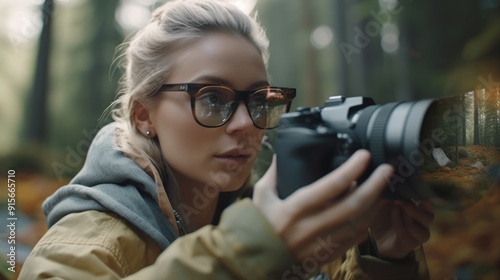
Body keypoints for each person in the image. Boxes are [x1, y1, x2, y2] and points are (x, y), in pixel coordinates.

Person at [19, 0, 434, 279]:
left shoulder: (253, 215)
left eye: (258, 100)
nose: (245, 124)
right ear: (145, 116)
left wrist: (385, 257)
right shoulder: (90, 243)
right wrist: (243, 251)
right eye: (212, 98)